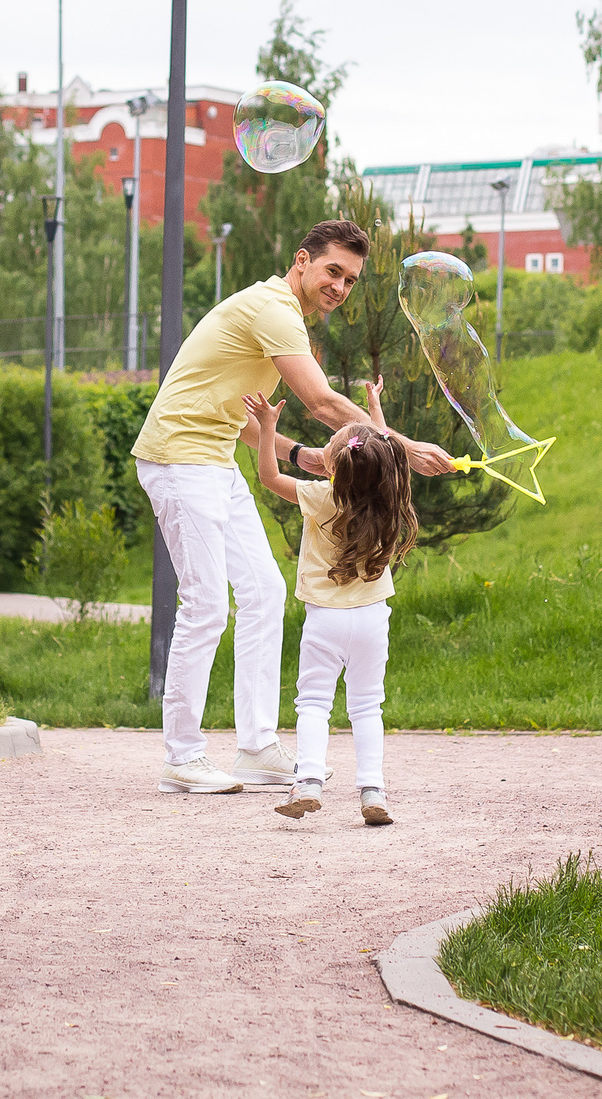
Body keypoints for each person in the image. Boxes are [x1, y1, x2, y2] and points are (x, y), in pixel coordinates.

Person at [129, 218, 450, 794]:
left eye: (350, 280)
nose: (340, 288)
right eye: (333, 272)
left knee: (264, 592)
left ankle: (255, 748)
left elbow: (238, 413)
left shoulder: (279, 313)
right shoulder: (273, 308)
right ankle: (182, 758)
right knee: (206, 605)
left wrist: (297, 453)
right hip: (179, 459)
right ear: (302, 261)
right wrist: (401, 446)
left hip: (214, 456)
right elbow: (321, 400)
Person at [242, 387, 416, 825]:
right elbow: (385, 448)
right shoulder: (388, 498)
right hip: (373, 618)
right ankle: (373, 789)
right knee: (367, 706)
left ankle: (309, 781)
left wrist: (268, 430)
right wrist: (376, 410)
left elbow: (268, 477)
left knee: (315, 703)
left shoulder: (321, 498)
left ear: (334, 469)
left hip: (325, 620)